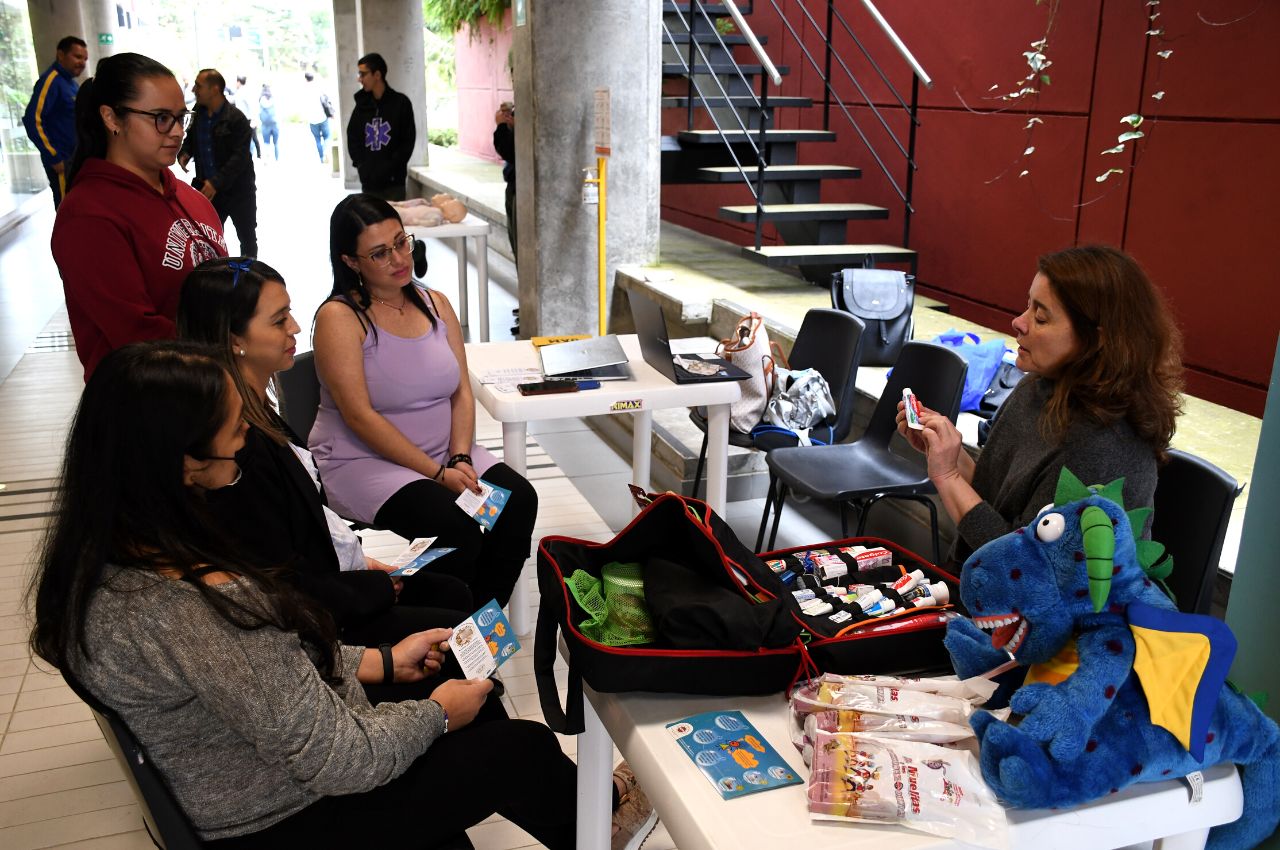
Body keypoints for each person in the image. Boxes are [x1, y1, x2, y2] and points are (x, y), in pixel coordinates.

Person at [26, 339, 611, 847]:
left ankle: (580, 817)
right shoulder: (196, 608)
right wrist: (436, 716)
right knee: (521, 749)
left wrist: (380, 662)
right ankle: (601, 824)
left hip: (260, 778)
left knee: (462, 685)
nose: (244, 446)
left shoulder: (111, 559)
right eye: (235, 433)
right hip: (286, 817)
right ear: (182, 462)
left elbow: (260, 680)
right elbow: (342, 759)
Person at [176, 257, 477, 677]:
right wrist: (366, 587)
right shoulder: (235, 445)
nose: (295, 329)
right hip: (310, 616)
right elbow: (277, 578)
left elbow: (304, 525)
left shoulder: (259, 409)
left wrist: (359, 563)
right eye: (279, 320)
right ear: (234, 338)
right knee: (452, 610)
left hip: (326, 579)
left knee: (455, 589)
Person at [309, 195, 537, 610]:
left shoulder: (435, 304)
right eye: (380, 253)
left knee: (517, 502)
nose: (399, 258)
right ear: (351, 261)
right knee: (458, 526)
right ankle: (424, 621)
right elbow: (359, 417)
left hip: (443, 455)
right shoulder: (339, 318)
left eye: (402, 242)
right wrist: (436, 473)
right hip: (364, 461)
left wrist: (460, 456)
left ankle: (474, 637)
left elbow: (460, 391)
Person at [896, 245, 1184, 567]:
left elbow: (1027, 570)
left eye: (1041, 317)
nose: (1019, 322)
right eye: (1027, 305)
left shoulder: (1104, 447)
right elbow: (997, 503)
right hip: (979, 587)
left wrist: (948, 475)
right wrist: (948, 452)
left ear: (1097, 340)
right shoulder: (1039, 386)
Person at [51, 51, 226, 379]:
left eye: (181, 117)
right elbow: (136, 332)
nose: (177, 132)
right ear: (112, 118)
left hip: (214, 390)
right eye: (161, 118)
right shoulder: (88, 215)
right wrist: (233, 345)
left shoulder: (191, 198)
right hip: (143, 405)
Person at [179, 69, 258, 258]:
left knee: (247, 238)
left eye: (199, 86)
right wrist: (185, 152)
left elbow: (240, 158)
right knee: (209, 238)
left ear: (215, 89)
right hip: (208, 192)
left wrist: (216, 182)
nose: (194, 90)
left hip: (239, 192)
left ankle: (250, 277)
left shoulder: (236, 119)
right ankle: (217, 277)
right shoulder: (198, 113)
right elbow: (192, 138)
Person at [22, 35, 88, 209]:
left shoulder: (71, 84)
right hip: (62, 160)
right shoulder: (51, 81)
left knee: (78, 205)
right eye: (77, 56)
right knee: (67, 207)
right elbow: (32, 120)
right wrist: (53, 156)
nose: (82, 62)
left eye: (85, 59)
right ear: (61, 55)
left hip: (74, 158)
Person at [346, 52, 415, 200]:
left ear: (377, 75)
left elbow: (407, 141)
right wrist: (362, 166)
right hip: (369, 183)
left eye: (363, 74)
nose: (360, 79)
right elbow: (353, 138)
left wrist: (391, 167)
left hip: (394, 183)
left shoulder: (401, 104)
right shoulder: (361, 107)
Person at [493, 101, 517, 263]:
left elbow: (509, 150)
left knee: (519, 243)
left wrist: (502, 126)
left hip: (520, 187)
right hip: (515, 185)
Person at [304, 70, 331, 162]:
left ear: (305, 79)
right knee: (327, 136)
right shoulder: (318, 87)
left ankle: (322, 158)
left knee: (317, 139)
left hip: (312, 120)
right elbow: (326, 100)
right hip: (323, 117)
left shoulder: (304, 89)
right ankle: (326, 151)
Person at [258, 84, 279, 160]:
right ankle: (277, 159)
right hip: (274, 123)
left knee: (266, 143)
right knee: (276, 143)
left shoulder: (260, 100)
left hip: (265, 124)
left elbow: (258, 112)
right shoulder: (274, 98)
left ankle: (267, 160)